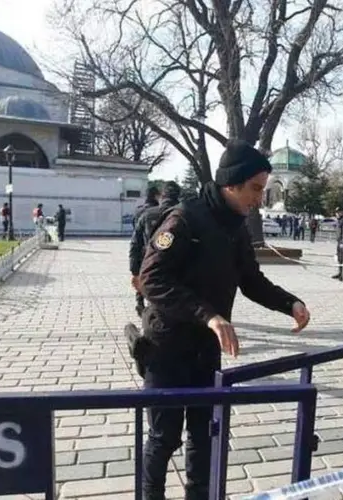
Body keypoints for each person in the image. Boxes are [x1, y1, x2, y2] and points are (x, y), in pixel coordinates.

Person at [128, 139, 311, 500]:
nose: (260, 197)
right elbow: (152, 279)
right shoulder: (184, 218)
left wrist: (290, 303)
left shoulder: (236, 227)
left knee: (203, 436)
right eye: (255, 189)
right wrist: (207, 314)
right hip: (167, 347)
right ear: (232, 184)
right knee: (164, 438)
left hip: (205, 352)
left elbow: (251, 280)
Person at [128, 181, 181, 317]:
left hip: (149, 262)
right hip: (177, 267)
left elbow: (135, 244)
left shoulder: (146, 214)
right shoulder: (185, 214)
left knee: (153, 294)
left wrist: (135, 271)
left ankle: (151, 317)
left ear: (162, 196)